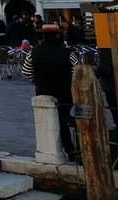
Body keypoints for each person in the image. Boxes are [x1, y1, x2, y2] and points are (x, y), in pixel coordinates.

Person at [22, 23, 77, 156]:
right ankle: (71, 149)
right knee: (62, 118)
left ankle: (63, 149)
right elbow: (78, 72)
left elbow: (26, 72)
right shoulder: (68, 53)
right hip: (65, 92)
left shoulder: (33, 52)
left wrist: (37, 81)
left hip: (43, 91)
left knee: (53, 120)